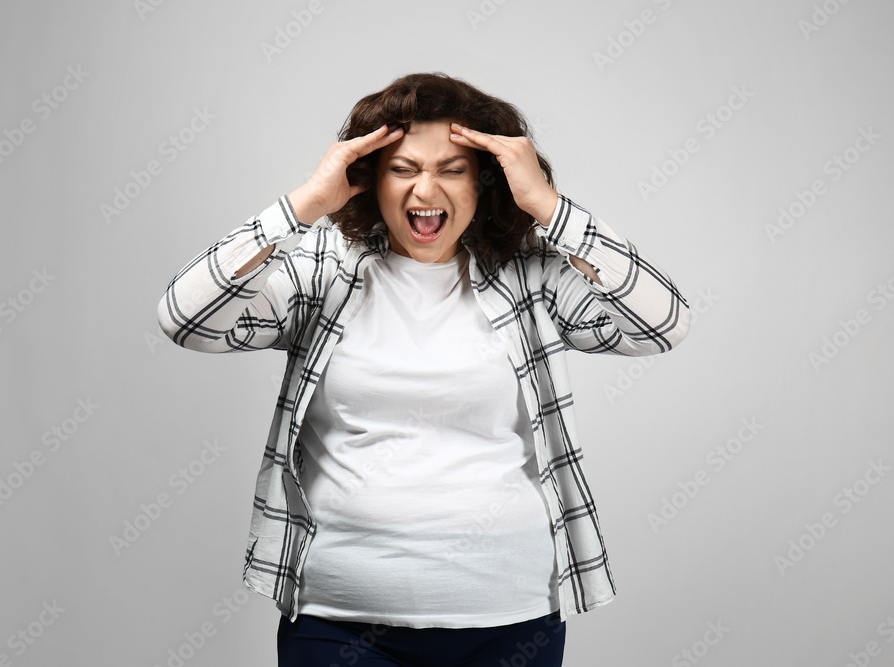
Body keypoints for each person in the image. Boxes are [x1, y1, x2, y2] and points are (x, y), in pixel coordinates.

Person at [157, 72, 690, 666]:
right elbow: (186, 318)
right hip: (339, 622)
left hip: (509, 620)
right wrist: (304, 204)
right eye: (403, 169)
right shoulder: (323, 269)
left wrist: (549, 207)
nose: (424, 189)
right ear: (371, 180)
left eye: (452, 170)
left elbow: (662, 325)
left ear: (487, 182)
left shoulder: (531, 275)